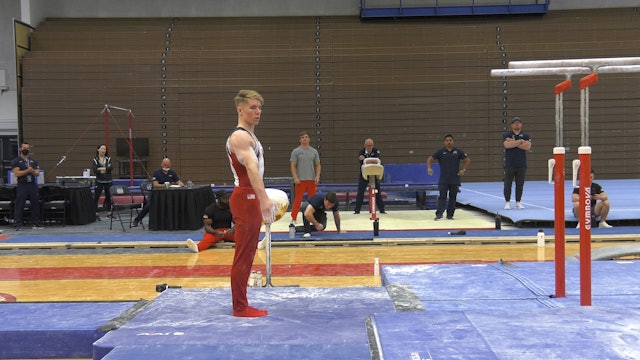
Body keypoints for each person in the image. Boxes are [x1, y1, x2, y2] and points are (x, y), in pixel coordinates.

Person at [226, 89, 274, 318]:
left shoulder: (251, 137)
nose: (258, 112)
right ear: (240, 110)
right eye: (253, 108)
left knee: (248, 252)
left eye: (260, 108)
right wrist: (263, 198)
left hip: (249, 196)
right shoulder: (240, 137)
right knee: (243, 254)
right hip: (246, 196)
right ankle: (240, 307)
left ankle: (242, 303)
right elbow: (252, 168)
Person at [426, 134, 470, 221]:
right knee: (442, 197)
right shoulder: (440, 151)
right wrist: (429, 168)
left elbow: (467, 160)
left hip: (455, 179)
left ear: (453, 141)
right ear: (444, 142)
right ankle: (439, 214)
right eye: (447, 140)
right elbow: (429, 159)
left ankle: (450, 215)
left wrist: (463, 170)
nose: (449, 142)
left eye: (450, 140)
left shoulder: (457, 151)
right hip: (444, 179)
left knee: (453, 198)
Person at [133, 158, 184, 227]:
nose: (166, 166)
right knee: (148, 206)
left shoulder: (172, 173)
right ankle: (137, 220)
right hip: (155, 193)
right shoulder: (156, 172)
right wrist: (165, 185)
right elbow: (155, 184)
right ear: (162, 164)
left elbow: (178, 181)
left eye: (168, 165)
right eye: (165, 165)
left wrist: (180, 183)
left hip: (167, 194)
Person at [289, 130, 321, 225]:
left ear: (309, 139)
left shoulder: (314, 152)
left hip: (311, 180)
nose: (304, 139)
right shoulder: (296, 151)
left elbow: (318, 165)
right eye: (302, 137)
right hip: (300, 180)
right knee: (297, 200)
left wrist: (317, 176)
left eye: (306, 137)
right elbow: (293, 165)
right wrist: (295, 177)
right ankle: (294, 219)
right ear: (300, 140)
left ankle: (313, 218)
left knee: (313, 201)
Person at [11, 141, 45, 230]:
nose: (25, 149)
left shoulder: (33, 161)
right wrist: (27, 171)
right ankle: (17, 224)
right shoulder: (16, 161)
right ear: (20, 149)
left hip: (32, 184)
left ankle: (36, 223)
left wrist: (32, 171)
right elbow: (17, 173)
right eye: (24, 148)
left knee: (35, 203)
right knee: (20, 204)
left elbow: (37, 173)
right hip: (22, 185)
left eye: (27, 148)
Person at [502, 116, 532, 210]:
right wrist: (520, 141)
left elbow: (527, 147)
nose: (517, 124)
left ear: (521, 124)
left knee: (520, 184)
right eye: (515, 123)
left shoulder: (526, 135)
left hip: (521, 164)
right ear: (512, 125)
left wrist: (514, 142)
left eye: (518, 123)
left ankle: (518, 202)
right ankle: (507, 202)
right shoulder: (507, 135)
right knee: (508, 184)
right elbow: (507, 145)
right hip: (510, 164)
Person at [353, 138, 386, 215]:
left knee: (377, 192)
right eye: (367, 146)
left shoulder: (376, 151)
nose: (369, 147)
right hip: (364, 175)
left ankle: (382, 210)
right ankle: (357, 210)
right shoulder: (361, 152)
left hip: (374, 174)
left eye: (370, 146)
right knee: (360, 192)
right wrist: (371, 160)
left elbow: (378, 161)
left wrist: (366, 159)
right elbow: (362, 162)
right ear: (365, 145)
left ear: (373, 145)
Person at [92, 144, 113, 216]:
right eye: (102, 149)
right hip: (99, 181)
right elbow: (95, 170)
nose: (103, 150)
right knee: (96, 196)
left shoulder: (108, 159)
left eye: (105, 149)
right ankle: (95, 211)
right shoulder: (95, 160)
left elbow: (110, 169)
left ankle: (109, 212)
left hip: (108, 180)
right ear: (98, 149)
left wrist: (101, 168)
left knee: (108, 197)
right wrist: (105, 169)